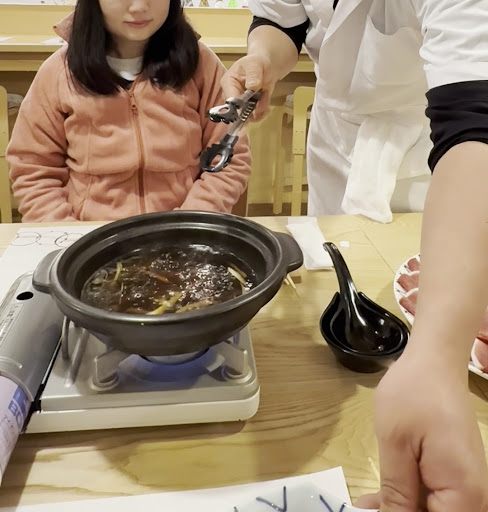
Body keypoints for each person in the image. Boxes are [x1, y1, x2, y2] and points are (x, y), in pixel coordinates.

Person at [221, 1, 488, 511]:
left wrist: (437, 360)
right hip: (334, 138)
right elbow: (283, 19)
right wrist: (262, 59)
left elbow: (474, 122)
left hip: (428, 167)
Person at [6, 0, 251, 222]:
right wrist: (68, 235)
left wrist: (186, 224)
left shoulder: (201, 65)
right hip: (90, 236)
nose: (139, 7)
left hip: (183, 232)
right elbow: (33, 171)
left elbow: (229, 158)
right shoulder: (59, 72)